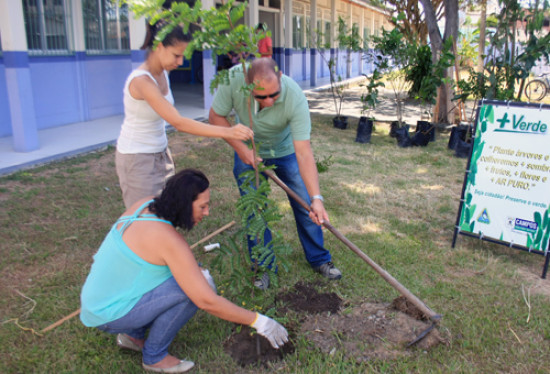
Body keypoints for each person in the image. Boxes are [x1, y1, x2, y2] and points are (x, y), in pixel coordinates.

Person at [80, 169, 288, 373]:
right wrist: (258, 320)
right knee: (196, 289)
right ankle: (154, 357)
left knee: (194, 276)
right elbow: (206, 301)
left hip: (98, 302)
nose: (207, 213)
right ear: (183, 205)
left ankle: (133, 335)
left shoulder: (144, 205)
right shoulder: (167, 239)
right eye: (203, 207)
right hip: (109, 314)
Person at [208, 58, 342, 290]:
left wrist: (317, 199)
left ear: (280, 80)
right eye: (261, 97)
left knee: (305, 205)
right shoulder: (232, 80)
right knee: (254, 210)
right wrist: (242, 150)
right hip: (248, 150)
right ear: (248, 86)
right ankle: (264, 267)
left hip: (285, 151)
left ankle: (319, 258)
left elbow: (304, 151)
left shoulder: (294, 96)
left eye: (274, 95)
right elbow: (215, 117)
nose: (269, 101)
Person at [115, 0, 254, 209]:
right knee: (144, 221)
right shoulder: (141, 81)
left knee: (166, 212)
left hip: (160, 153)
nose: (180, 62)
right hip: (137, 158)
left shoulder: (162, 71)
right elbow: (178, 122)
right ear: (159, 45)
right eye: (177, 55)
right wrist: (229, 132)